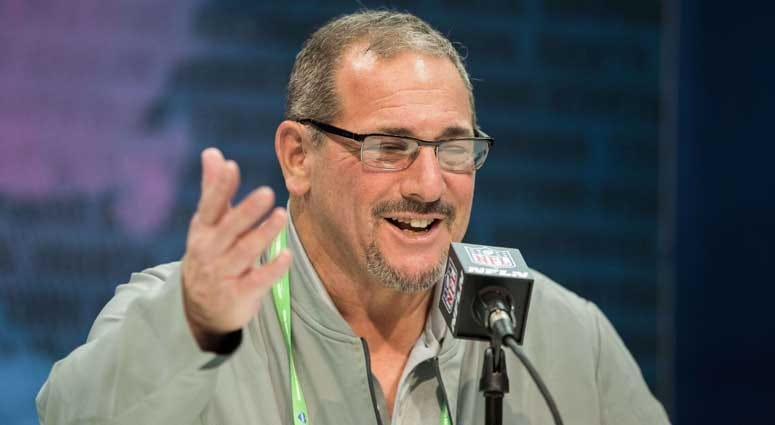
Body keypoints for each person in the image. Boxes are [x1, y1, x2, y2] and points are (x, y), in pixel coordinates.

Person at [37, 10, 670, 425]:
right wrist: (192, 328)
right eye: (389, 147)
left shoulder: (562, 340)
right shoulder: (193, 316)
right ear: (297, 156)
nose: (429, 185)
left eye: (453, 148)